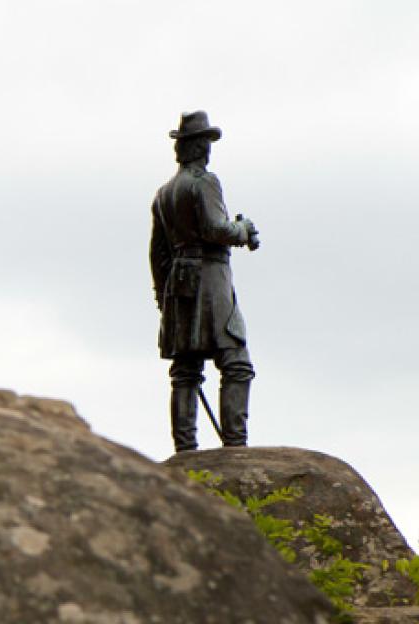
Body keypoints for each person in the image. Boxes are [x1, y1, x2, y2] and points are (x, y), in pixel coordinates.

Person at [149, 111, 260, 453]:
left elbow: (158, 255)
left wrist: (163, 298)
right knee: (236, 361)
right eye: (206, 144)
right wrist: (243, 230)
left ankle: (185, 449)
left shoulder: (164, 193)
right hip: (210, 279)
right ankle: (235, 447)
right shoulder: (205, 182)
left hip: (178, 285)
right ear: (200, 148)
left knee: (186, 369)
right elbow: (216, 229)